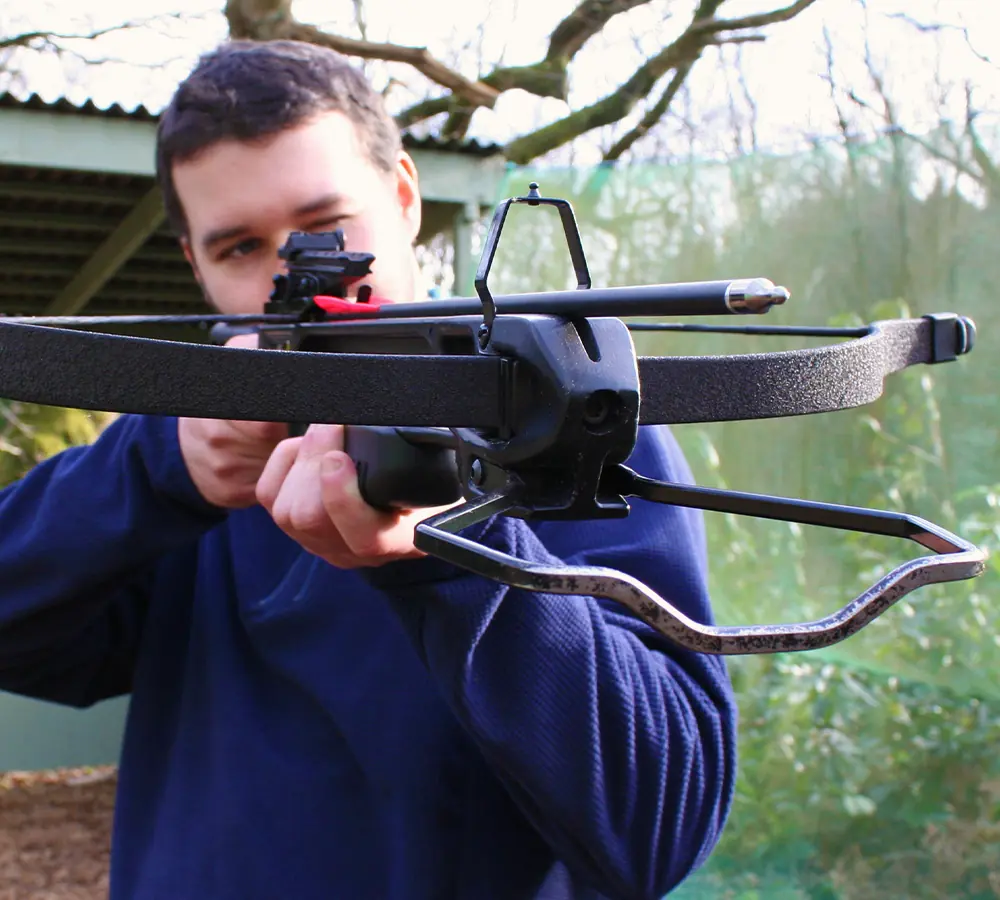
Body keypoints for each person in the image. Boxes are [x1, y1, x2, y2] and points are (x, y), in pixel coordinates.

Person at [0, 39, 737, 900]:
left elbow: (662, 823)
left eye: (326, 228)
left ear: (402, 197)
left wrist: (454, 547)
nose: (299, 278)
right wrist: (157, 470)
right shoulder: (185, 454)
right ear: (195, 267)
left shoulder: (564, 416)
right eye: (241, 247)